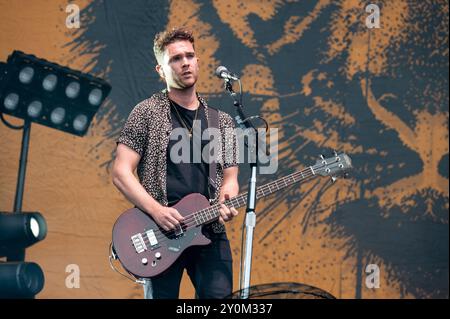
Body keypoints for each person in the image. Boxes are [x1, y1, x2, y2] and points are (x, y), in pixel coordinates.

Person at [112, 27, 239, 299]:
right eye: (175, 59)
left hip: (209, 231)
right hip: (159, 231)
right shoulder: (146, 112)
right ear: (161, 70)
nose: (185, 63)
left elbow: (230, 178)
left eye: (189, 56)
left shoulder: (223, 121)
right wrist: (157, 211)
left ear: (198, 61)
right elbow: (121, 173)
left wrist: (228, 198)